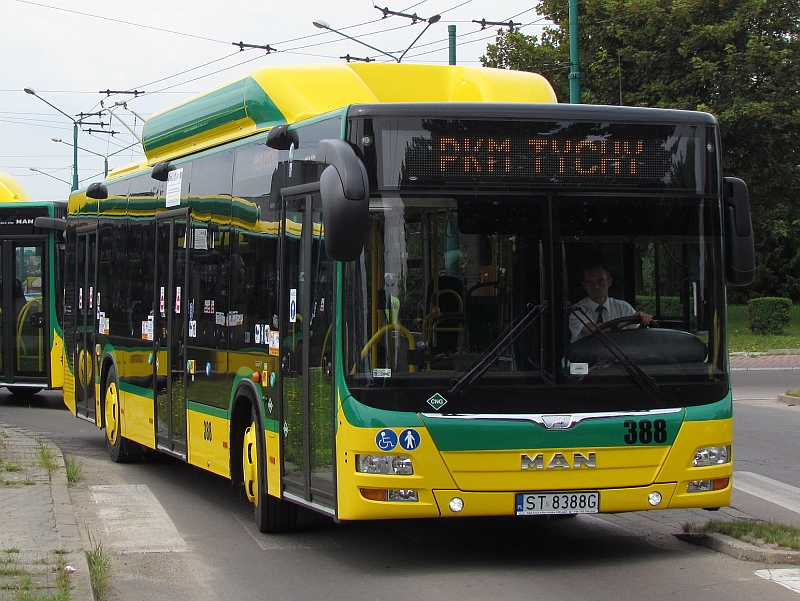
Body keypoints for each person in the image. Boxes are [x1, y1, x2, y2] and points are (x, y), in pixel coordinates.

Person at [569, 264, 652, 342]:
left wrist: (642, 319)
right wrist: (629, 320)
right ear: (584, 286)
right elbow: (592, 330)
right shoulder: (577, 310)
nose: (596, 286)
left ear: (609, 282)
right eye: (590, 282)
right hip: (584, 356)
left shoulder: (623, 307)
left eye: (600, 281)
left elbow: (640, 334)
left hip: (618, 356)